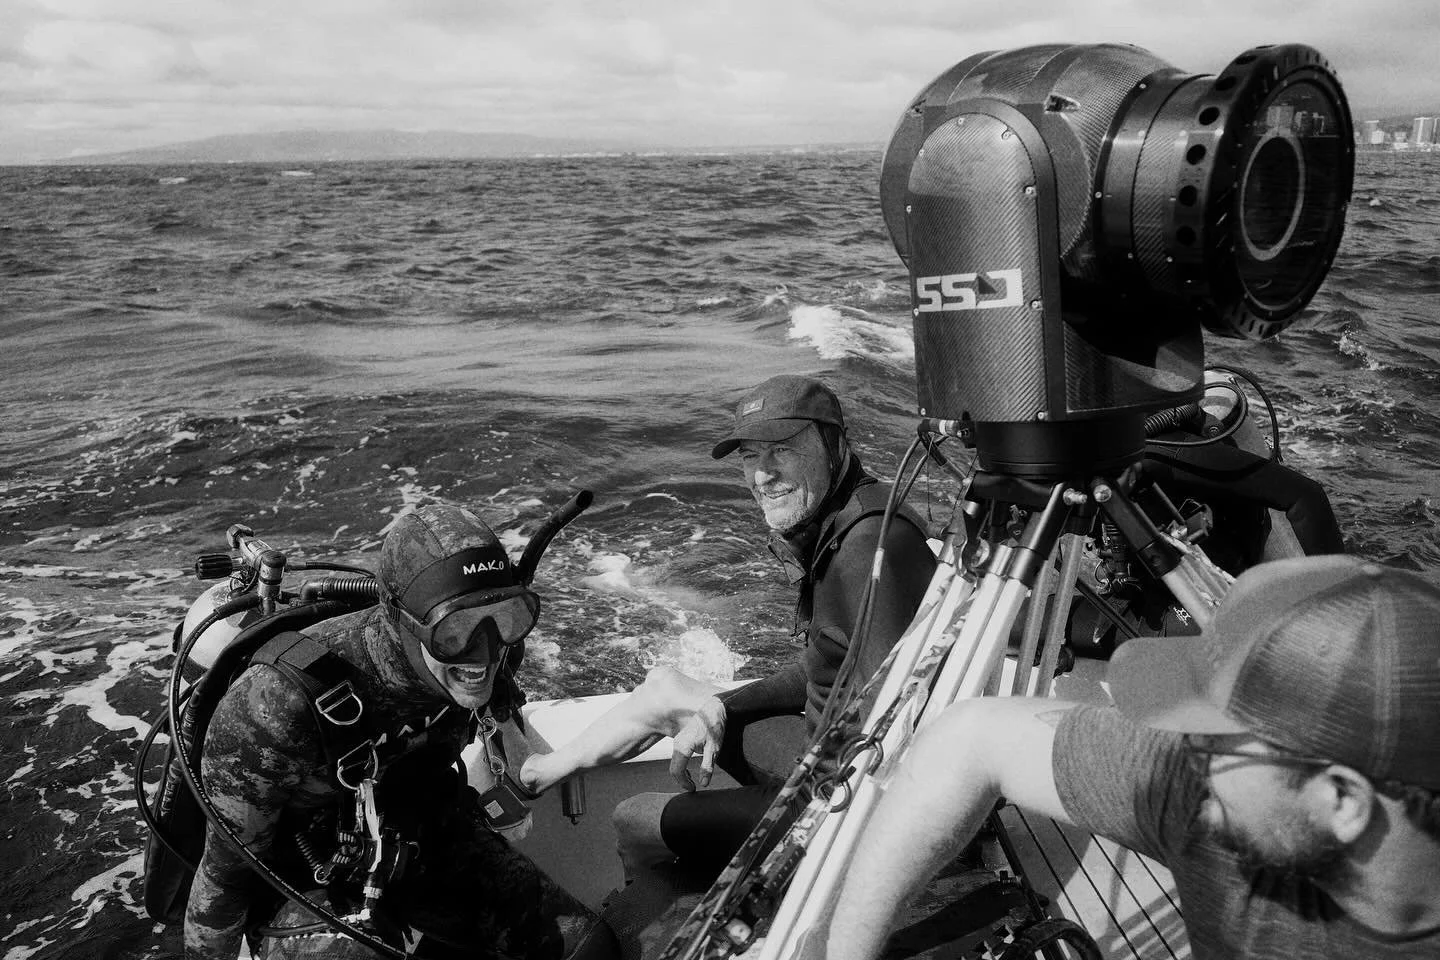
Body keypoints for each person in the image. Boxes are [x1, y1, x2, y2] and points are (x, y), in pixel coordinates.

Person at [827, 554, 1440, 960]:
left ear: (1343, 800)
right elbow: (973, 737)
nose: (1186, 763)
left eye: (1211, 745)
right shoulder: (1209, 797)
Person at [522, 374, 937, 880]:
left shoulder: (868, 551)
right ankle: (540, 771)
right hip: (820, 748)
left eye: (782, 450)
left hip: (838, 803)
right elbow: (826, 662)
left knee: (632, 818)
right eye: (749, 456)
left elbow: (896, 733)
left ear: (835, 444)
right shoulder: (845, 521)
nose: (762, 475)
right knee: (667, 690)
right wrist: (723, 706)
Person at [185, 502, 615, 960]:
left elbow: (502, 716)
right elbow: (225, 878)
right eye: (455, 631)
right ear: (404, 623)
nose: (483, 652)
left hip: (424, 832)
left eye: (508, 616)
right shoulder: (274, 708)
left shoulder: (494, 652)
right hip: (305, 879)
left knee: (589, 949)